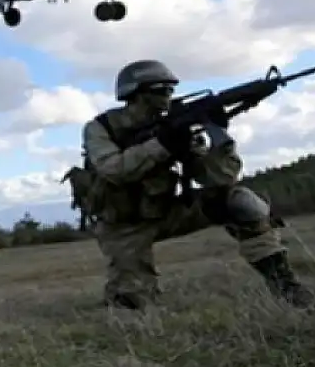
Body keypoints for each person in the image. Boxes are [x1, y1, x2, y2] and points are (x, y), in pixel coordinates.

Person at [81, 59, 314, 311]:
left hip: (166, 212)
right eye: (161, 90)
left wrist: (219, 138)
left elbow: (219, 178)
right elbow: (114, 170)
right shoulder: (101, 128)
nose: (167, 98)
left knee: (242, 202)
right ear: (135, 94)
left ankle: (287, 287)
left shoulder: (174, 126)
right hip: (123, 226)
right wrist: (162, 145)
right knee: (132, 304)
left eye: (170, 90)